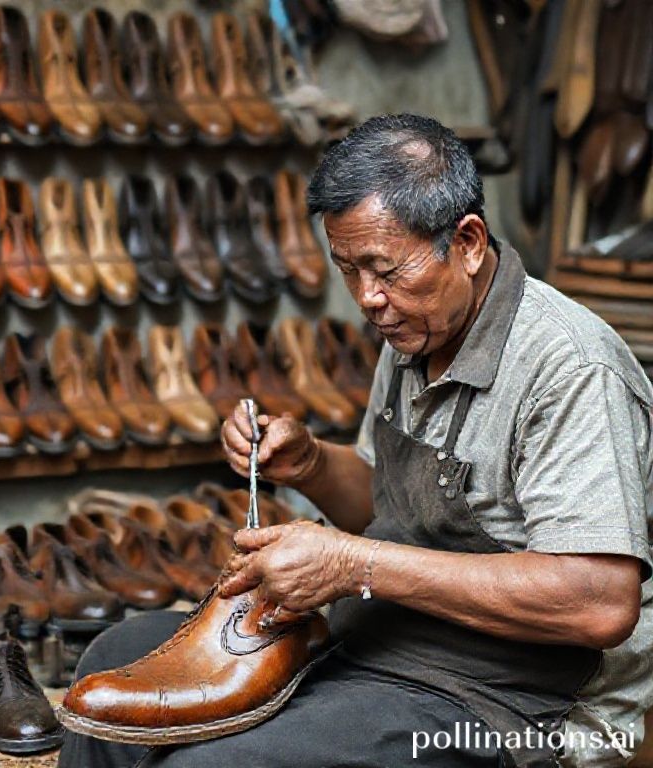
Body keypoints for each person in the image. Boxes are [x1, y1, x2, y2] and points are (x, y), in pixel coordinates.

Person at [59, 114, 652, 768]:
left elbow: (599, 603)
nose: (368, 299)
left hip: (508, 698)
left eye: (385, 270)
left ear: (469, 242)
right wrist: (309, 463)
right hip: (385, 636)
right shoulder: (416, 326)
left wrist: (351, 565)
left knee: (214, 766)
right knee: (111, 662)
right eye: (349, 270)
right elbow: (386, 507)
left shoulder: (571, 369)